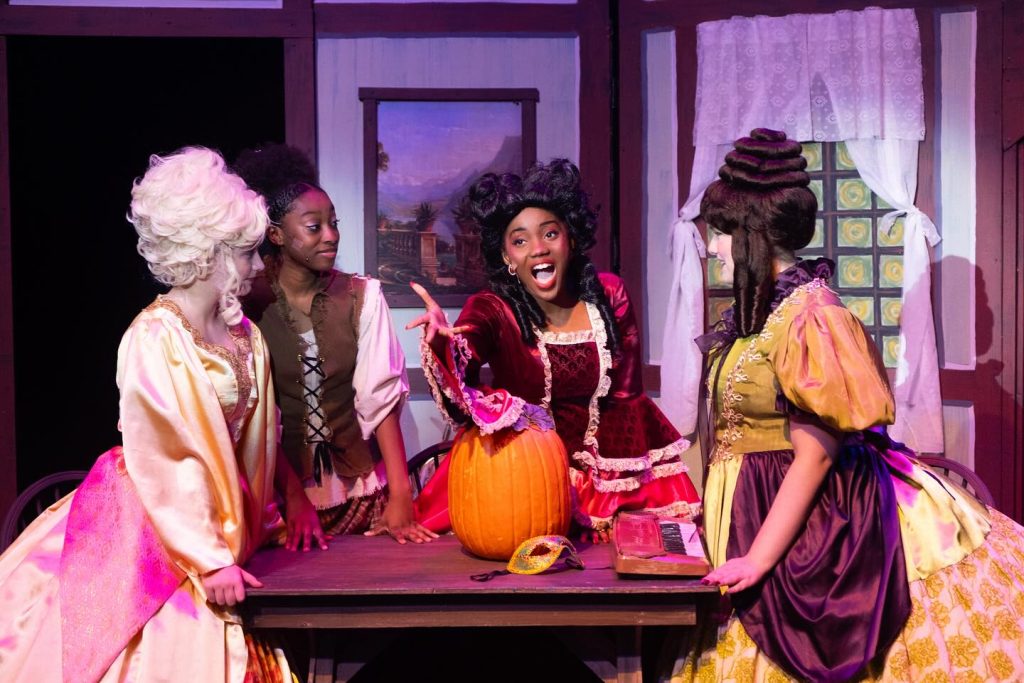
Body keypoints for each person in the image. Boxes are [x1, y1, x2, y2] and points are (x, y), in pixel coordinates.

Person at [669, 129, 1024, 681]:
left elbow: (816, 455)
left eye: (721, 234)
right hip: (753, 505)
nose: (713, 247)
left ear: (753, 237)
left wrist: (761, 558)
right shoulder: (766, 309)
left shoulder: (812, 316)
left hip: (807, 512)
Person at [0, 146, 323, 682]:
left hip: (216, 524)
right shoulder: (154, 337)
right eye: (244, 253)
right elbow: (170, 458)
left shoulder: (244, 334)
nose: (256, 265)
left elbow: (255, 445)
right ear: (210, 255)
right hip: (151, 520)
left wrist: (254, 527)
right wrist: (208, 556)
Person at [409, 159, 701, 541]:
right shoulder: (493, 307)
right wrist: (440, 339)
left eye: (550, 234)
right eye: (520, 240)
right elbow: (464, 364)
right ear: (506, 257)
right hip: (520, 479)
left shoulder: (608, 294)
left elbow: (626, 398)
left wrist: (610, 495)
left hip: (605, 476)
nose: (537, 249)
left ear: (571, 240)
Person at [234, 144, 435, 544]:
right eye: (314, 227)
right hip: (278, 504)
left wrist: (400, 496)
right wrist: (293, 497)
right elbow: (255, 414)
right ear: (276, 234)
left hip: (360, 496)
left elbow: (380, 402)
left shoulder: (363, 297)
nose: (331, 236)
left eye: (334, 223)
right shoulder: (246, 303)